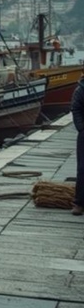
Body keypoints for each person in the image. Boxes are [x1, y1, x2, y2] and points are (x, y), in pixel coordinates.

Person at [72, 75, 84, 216]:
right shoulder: (80, 90)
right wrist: (81, 128)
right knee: (82, 169)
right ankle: (79, 202)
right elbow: (76, 110)